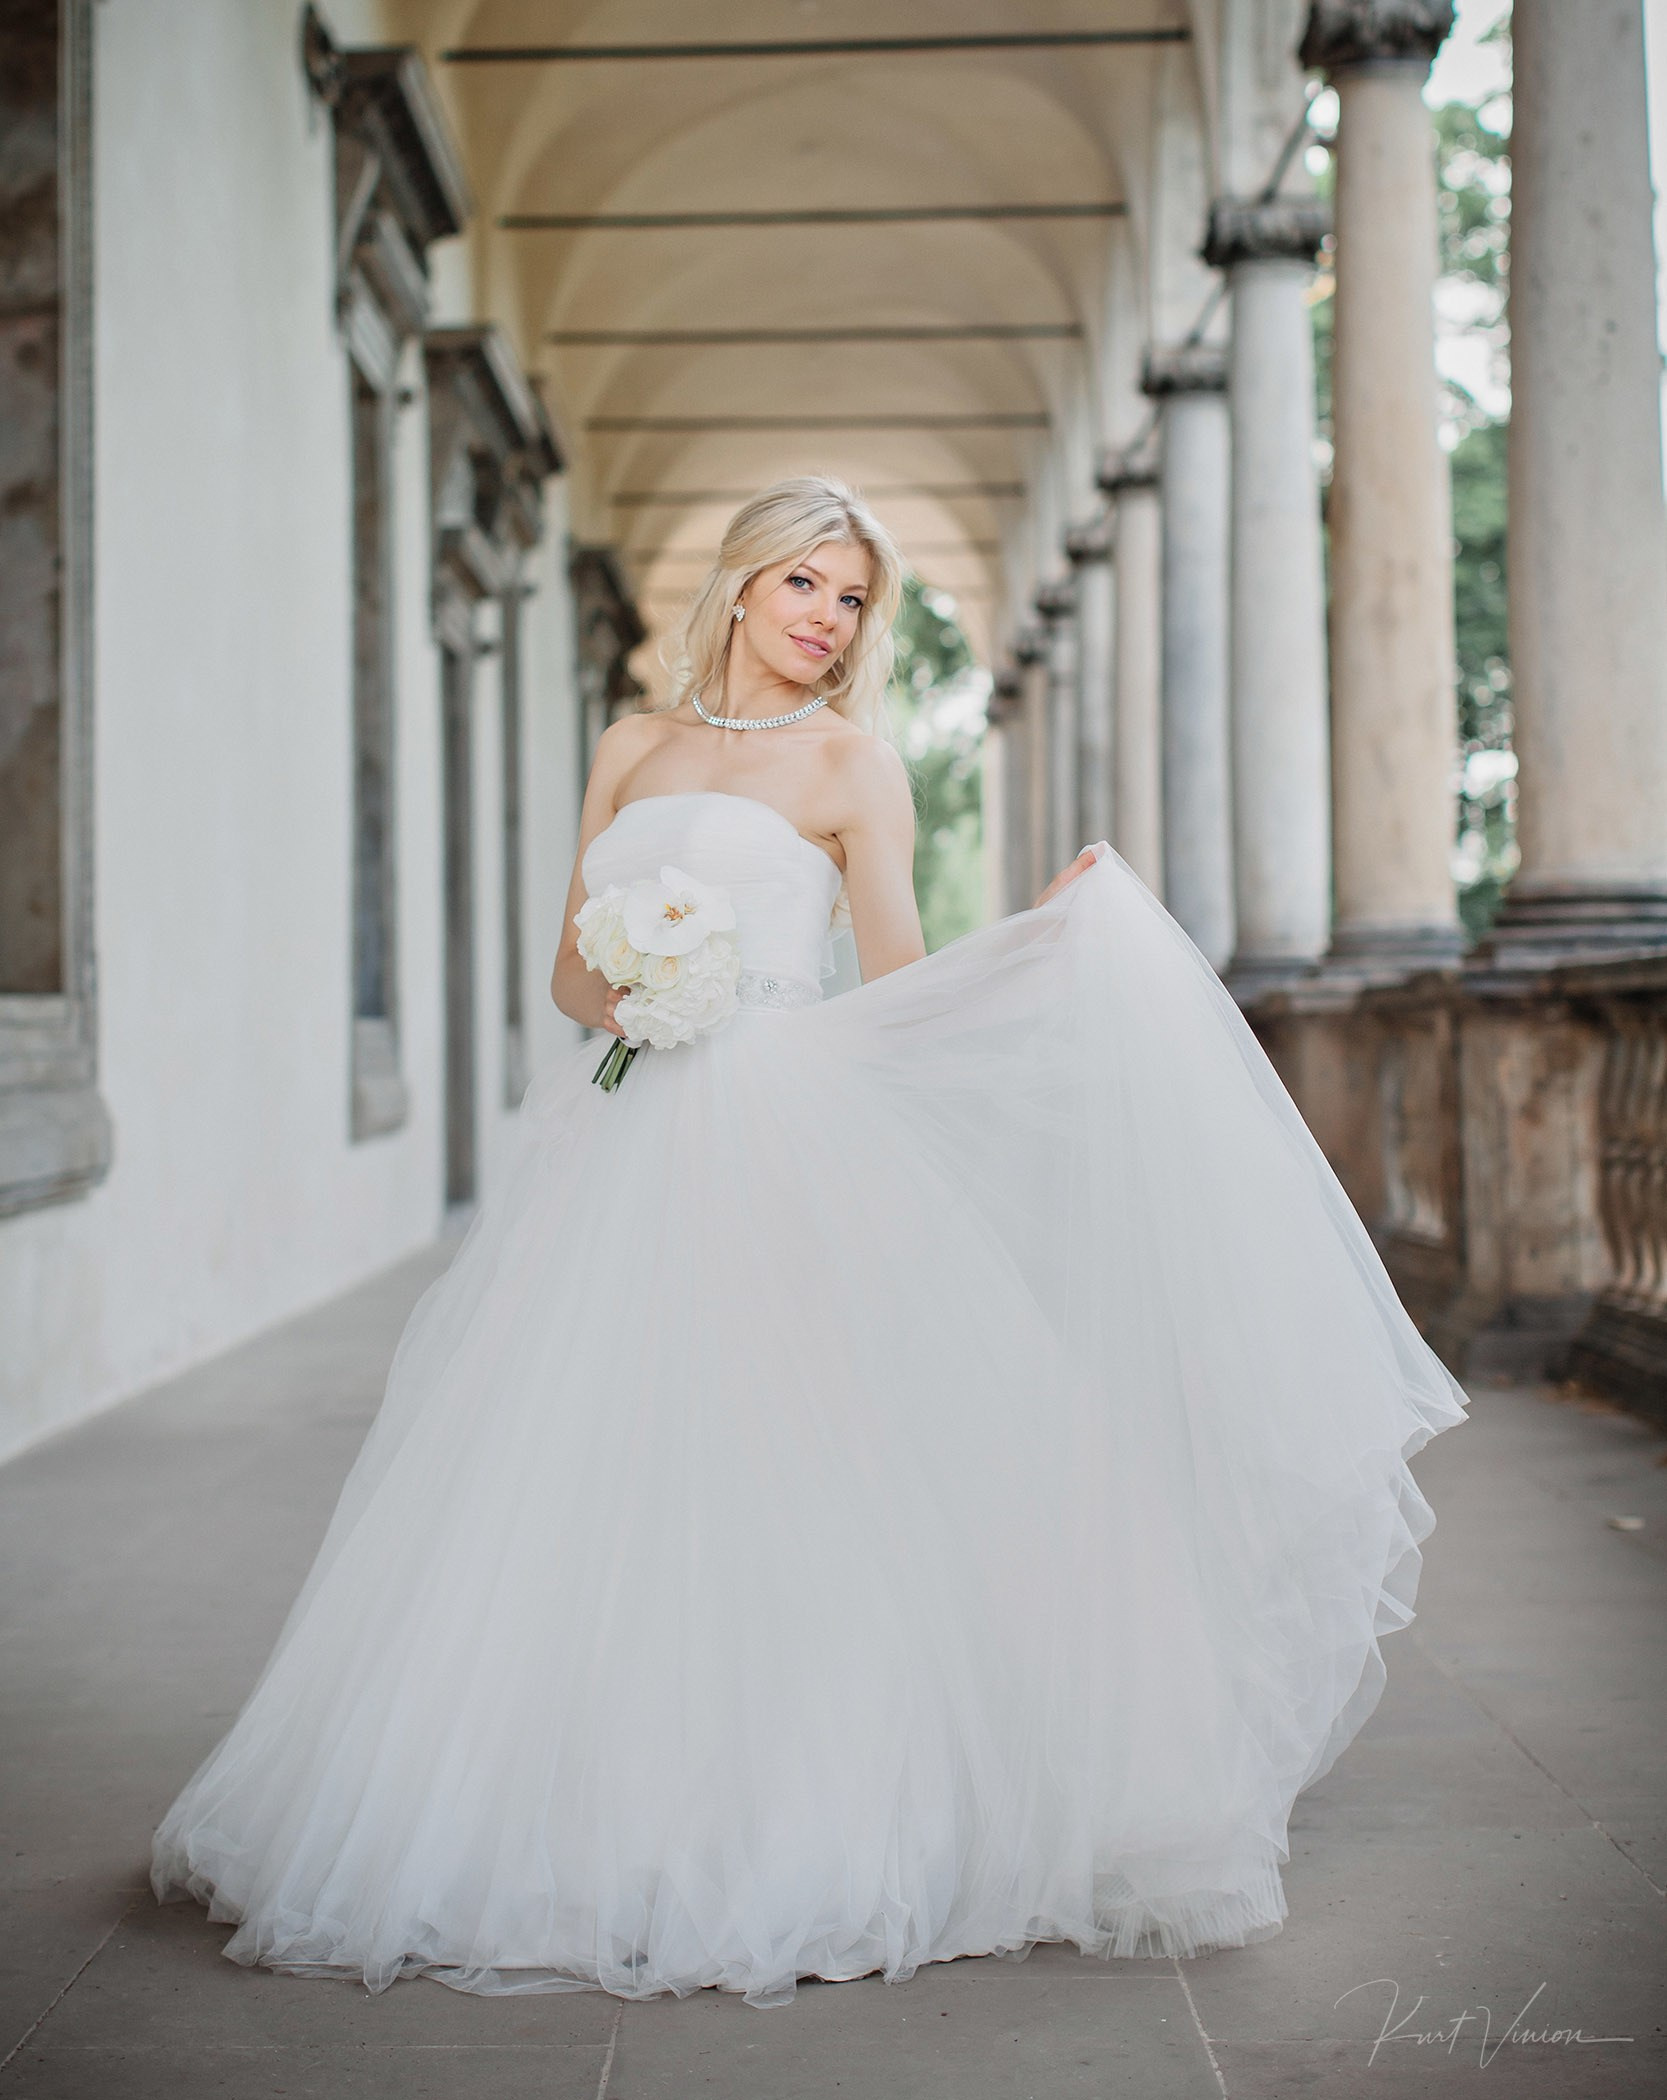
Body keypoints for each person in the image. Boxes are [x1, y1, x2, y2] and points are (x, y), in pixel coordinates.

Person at [152, 473, 1468, 2010]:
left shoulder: (856, 767)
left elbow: (898, 989)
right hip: (619, 1136)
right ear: (741, 580)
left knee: (776, 1456)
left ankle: (793, 1805)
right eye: (807, 588)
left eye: (851, 601)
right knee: (580, 1463)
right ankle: (570, 1801)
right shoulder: (630, 745)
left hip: (775, 1133)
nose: (827, 622)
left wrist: (1048, 944)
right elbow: (575, 982)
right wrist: (649, 986)